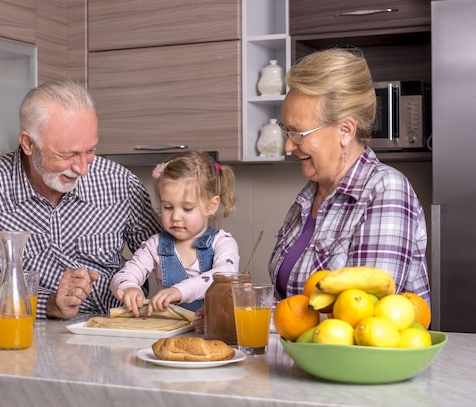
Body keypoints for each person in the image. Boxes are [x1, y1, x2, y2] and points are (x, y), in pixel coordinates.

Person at [0, 79, 162, 320]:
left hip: (119, 327)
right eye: (68, 154)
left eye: (90, 151)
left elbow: (169, 253)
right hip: (35, 335)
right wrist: (52, 304)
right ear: (28, 143)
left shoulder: (120, 182)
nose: (83, 169)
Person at [268, 48, 431, 304]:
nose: (288, 146)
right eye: (286, 131)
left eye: (298, 133)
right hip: (303, 345)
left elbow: (365, 310)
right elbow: (288, 299)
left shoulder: (385, 190)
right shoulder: (309, 196)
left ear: (345, 130)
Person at [111, 151, 240, 316]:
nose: (176, 217)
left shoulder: (222, 242)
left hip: (213, 332)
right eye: (167, 207)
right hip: (169, 332)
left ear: (212, 206)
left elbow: (224, 276)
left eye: (187, 208)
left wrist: (179, 291)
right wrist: (129, 287)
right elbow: (123, 275)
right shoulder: (154, 245)